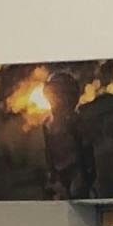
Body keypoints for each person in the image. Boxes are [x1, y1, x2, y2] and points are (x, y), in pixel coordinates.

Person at [40, 69, 97, 201]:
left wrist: (86, 179)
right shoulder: (47, 124)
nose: (58, 98)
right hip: (59, 179)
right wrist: (53, 178)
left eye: (61, 94)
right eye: (55, 93)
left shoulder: (75, 122)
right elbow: (49, 153)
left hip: (77, 175)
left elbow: (87, 152)